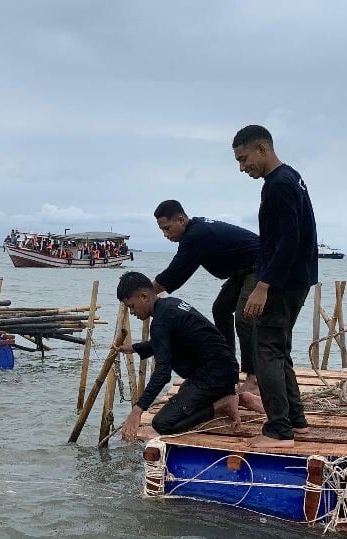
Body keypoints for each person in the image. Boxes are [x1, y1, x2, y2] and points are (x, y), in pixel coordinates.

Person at [232, 125, 318, 449]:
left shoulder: (278, 185)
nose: (243, 168)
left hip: (282, 282)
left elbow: (287, 241)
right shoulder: (291, 177)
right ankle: (297, 421)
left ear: (262, 149)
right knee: (279, 350)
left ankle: (279, 430)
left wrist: (263, 284)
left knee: (264, 349)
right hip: (298, 278)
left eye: (244, 159)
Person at [114, 272, 241, 442]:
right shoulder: (171, 305)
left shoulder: (160, 322)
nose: (132, 312)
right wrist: (135, 348)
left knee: (163, 424)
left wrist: (137, 411)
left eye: (131, 306)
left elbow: (163, 373)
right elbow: (169, 341)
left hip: (213, 375)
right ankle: (230, 395)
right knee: (183, 397)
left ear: (144, 296)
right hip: (223, 368)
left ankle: (223, 404)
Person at [151, 199, 261, 393]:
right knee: (220, 309)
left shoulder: (196, 235)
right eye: (162, 231)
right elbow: (180, 269)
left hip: (260, 266)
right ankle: (228, 369)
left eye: (167, 229)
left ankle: (253, 378)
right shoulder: (195, 230)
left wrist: (145, 294)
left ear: (181, 219)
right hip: (241, 271)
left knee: (245, 318)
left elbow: (175, 272)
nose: (166, 235)